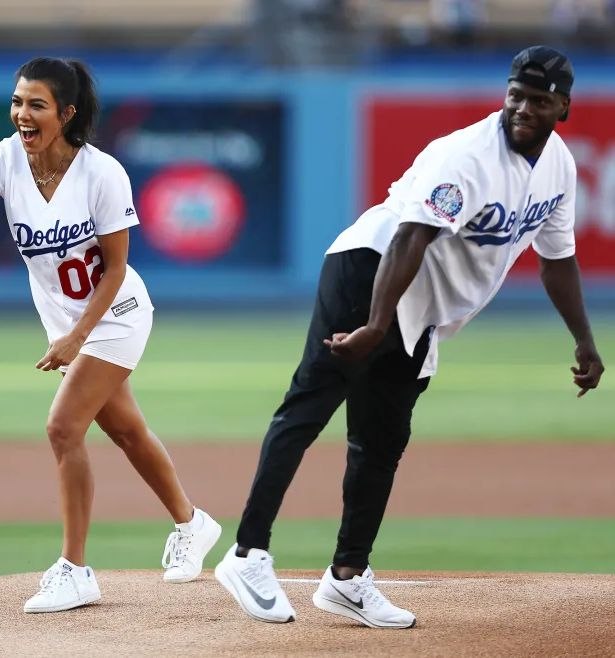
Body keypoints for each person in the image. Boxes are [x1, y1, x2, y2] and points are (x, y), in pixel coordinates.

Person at [214, 45, 605, 627]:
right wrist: (375, 325)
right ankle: (247, 554)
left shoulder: (559, 168)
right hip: (369, 269)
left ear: (563, 108)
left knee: (382, 439)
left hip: (420, 307)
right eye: (516, 94)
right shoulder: (466, 156)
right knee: (310, 405)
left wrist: (584, 340)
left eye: (539, 100)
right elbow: (409, 238)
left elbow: (558, 260)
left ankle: (347, 578)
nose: (523, 107)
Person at [0, 57, 222, 614]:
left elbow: (114, 269)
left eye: (36, 105)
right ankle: (192, 522)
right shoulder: (6, 158)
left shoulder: (102, 173)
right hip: (66, 321)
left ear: (67, 113)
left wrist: (79, 337)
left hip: (117, 312)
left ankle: (75, 570)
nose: (21, 114)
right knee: (127, 431)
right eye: (16, 102)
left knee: (62, 427)